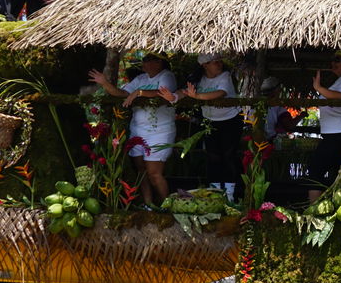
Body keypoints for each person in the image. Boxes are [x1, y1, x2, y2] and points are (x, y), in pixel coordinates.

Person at [89, 52, 178, 206]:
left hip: (160, 131)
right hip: (138, 130)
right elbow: (122, 93)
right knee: (141, 171)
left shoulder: (167, 76)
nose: (147, 63)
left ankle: (167, 207)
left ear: (161, 63)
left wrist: (139, 92)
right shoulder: (141, 79)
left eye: (153, 60)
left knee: (154, 173)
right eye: (146, 60)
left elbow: (162, 94)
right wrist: (104, 83)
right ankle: (148, 204)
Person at [171, 53, 242, 199]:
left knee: (228, 156)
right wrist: (174, 97)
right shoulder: (198, 79)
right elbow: (184, 91)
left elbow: (220, 93)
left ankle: (230, 194)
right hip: (210, 121)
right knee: (213, 157)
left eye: (220, 61)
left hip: (230, 120)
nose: (219, 64)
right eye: (215, 62)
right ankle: (215, 193)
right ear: (205, 65)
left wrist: (197, 97)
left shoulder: (225, 76)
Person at [309, 52, 341, 189]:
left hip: (340, 134)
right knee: (338, 173)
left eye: (338, 60)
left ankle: (315, 203)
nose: (333, 63)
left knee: (315, 170)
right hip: (338, 134)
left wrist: (319, 88)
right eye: (332, 60)